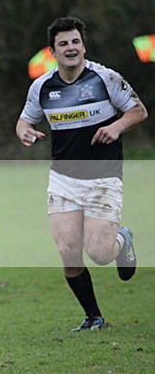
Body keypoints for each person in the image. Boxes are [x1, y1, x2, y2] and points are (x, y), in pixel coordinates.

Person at [15, 17, 148, 332]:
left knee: (100, 253)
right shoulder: (43, 86)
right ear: (53, 51)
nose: (70, 48)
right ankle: (94, 318)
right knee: (68, 252)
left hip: (103, 176)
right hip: (63, 179)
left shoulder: (105, 78)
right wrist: (25, 132)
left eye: (75, 41)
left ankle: (122, 239)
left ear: (83, 46)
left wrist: (116, 126)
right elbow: (24, 120)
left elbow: (138, 110)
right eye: (63, 43)